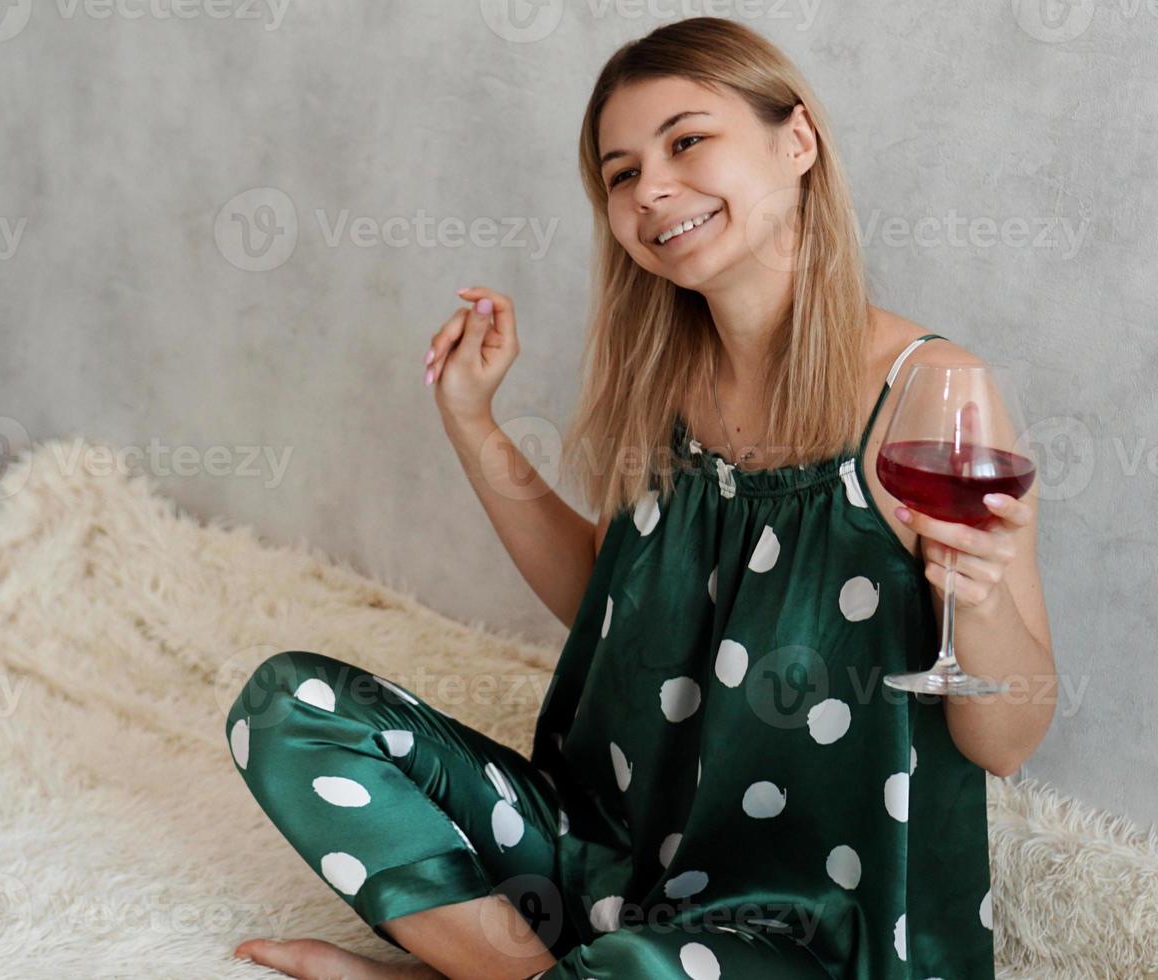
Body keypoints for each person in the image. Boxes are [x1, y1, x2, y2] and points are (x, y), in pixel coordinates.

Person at [227, 16, 1056, 979]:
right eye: (621, 174)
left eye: (687, 140)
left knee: (646, 972)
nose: (652, 188)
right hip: (602, 866)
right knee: (292, 706)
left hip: (813, 928)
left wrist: (982, 599)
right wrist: (472, 423)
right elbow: (606, 607)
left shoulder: (926, 395)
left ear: (797, 142)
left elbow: (1008, 740)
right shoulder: (666, 385)